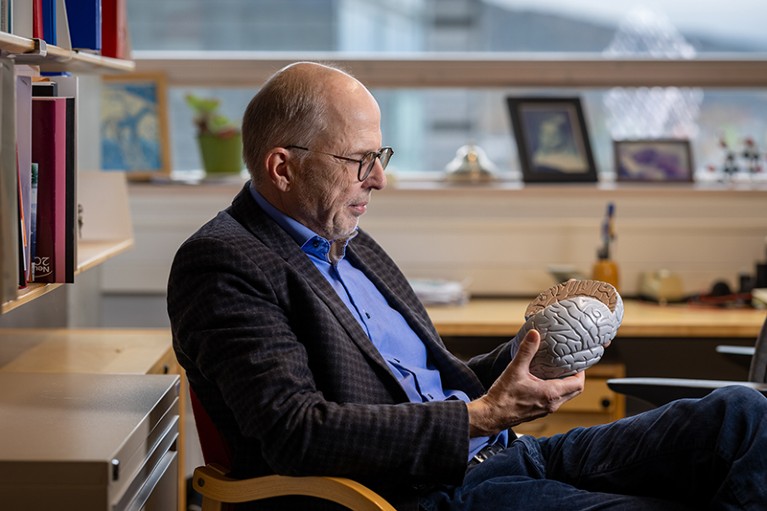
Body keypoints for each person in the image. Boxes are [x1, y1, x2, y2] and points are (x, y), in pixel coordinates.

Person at [167, 61, 767, 511]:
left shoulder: (349, 239)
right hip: (422, 493)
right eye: (360, 160)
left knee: (746, 412)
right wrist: (481, 418)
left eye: (382, 155)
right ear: (282, 166)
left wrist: (528, 355)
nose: (378, 178)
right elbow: (298, 432)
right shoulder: (224, 264)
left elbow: (431, 384)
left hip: (505, 455)